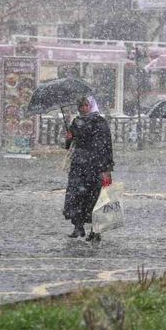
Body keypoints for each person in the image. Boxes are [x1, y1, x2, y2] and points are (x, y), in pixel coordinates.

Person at [63, 96, 114, 242]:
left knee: (95, 198)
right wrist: (68, 138)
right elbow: (69, 145)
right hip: (79, 165)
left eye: (86, 105)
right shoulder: (75, 122)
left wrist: (107, 167)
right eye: (81, 106)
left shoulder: (100, 122)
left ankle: (95, 230)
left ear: (91, 106)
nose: (83, 108)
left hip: (96, 166)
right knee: (76, 196)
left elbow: (106, 145)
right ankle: (78, 226)